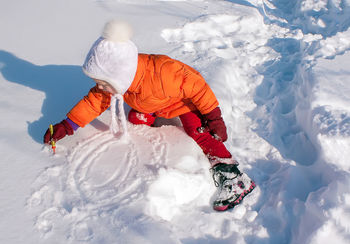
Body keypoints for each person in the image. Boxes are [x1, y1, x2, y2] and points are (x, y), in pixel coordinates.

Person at [44, 20, 255, 211]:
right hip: (156, 105)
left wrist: (214, 117)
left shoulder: (164, 74)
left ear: (119, 74)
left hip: (183, 105)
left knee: (196, 131)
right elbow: (94, 102)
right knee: (136, 117)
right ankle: (160, 118)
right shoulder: (122, 81)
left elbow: (197, 86)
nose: (99, 87)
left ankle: (233, 176)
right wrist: (67, 125)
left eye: (103, 82)